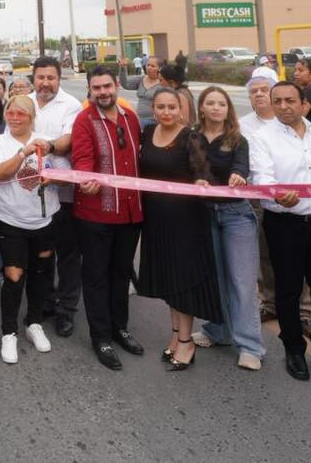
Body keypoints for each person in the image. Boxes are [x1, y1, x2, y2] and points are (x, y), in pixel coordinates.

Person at [252, 81, 311, 385]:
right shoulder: (263, 137)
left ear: (304, 103)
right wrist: (278, 195)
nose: (283, 106)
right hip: (285, 224)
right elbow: (262, 178)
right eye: (277, 101)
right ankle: (293, 349)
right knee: (288, 290)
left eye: (289, 100)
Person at [136, 89, 222, 371]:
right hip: (156, 220)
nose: (166, 112)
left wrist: (201, 182)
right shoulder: (148, 133)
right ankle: (175, 336)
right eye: (161, 107)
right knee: (169, 282)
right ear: (153, 108)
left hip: (185, 222)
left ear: (181, 109)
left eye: (172, 107)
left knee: (183, 282)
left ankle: (186, 342)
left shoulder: (190, 137)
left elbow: (202, 170)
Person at [70, 66, 145, 370]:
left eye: (106, 86)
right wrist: (86, 179)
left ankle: (120, 328)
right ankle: (100, 337)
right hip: (96, 214)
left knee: (121, 273)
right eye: (96, 88)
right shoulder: (84, 120)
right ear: (90, 90)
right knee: (97, 277)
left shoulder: (131, 118)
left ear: (116, 86)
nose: (102, 92)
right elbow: (82, 160)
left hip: (130, 213)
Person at [192, 86, 266, 371]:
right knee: (215, 277)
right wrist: (195, 180)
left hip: (236, 215)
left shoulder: (238, 139)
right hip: (203, 214)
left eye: (221, 104)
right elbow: (189, 168)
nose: (216, 108)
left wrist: (238, 176)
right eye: (210, 103)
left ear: (228, 109)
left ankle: (250, 346)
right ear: (201, 108)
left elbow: (241, 166)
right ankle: (218, 330)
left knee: (242, 281)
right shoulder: (192, 137)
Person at [0, 94, 59, 365]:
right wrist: (23, 153)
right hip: (11, 221)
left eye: (21, 114)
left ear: (32, 117)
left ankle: (34, 323)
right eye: (11, 112)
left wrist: (53, 177)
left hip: (44, 221)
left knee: (42, 275)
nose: (15, 118)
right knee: (14, 277)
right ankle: (9, 333)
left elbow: (65, 174)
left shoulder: (46, 141)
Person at [239, 75, 309, 330]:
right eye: (253, 91)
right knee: (265, 254)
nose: (258, 94)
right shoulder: (242, 125)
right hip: (257, 198)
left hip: (297, 199)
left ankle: (304, 310)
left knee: (300, 256)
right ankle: (270, 303)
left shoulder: (298, 123)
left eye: (264, 89)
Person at [30, 56, 84, 338]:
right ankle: (46, 302)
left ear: (59, 79)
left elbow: (67, 142)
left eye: (51, 78)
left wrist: (48, 146)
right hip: (32, 194)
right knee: (42, 254)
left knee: (68, 256)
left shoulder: (70, 105)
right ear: (33, 78)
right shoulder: (26, 102)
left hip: (63, 193)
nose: (45, 83)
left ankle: (66, 310)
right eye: (41, 77)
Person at [134, 57, 165, 128]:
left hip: (153, 122)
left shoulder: (162, 83)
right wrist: (123, 68)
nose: (149, 68)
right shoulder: (141, 79)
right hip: (139, 119)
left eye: (153, 66)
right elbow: (126, 83)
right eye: (148, 65)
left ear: (159, 68)